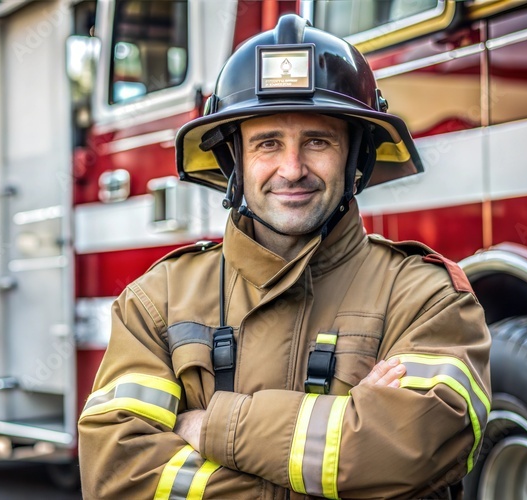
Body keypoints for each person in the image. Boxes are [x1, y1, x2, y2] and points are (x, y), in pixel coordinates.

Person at [78, 15, 490, 499]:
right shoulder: (156, 302)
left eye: (317, 141)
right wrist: (343, 456)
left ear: (355, 157)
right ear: (234, 160)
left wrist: (212, 427)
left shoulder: (427, 297)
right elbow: (117, 477)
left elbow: (417, 449)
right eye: (267, 143)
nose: (292, 169)